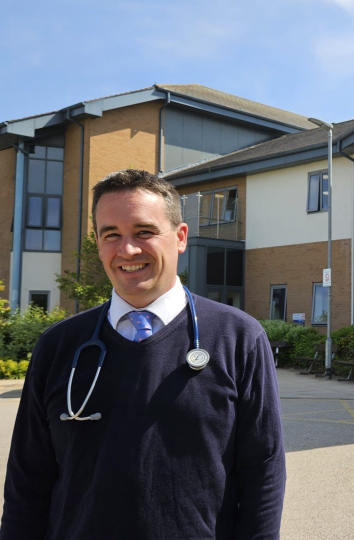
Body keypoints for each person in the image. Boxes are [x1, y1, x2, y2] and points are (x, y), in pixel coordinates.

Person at [1, 169, 286, 539]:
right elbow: (27, 480)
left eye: (144, 232)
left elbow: (263, 471)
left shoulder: (239, 338)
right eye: (111, 235)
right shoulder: (59, 345)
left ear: (180, 237)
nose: (128, 250)